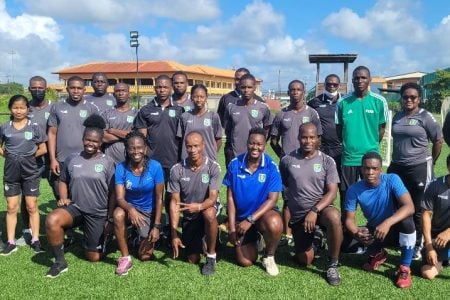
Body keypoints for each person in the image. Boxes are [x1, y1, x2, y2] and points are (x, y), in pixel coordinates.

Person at [45, 115, 115, 278]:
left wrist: (110, 218)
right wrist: (63, 198)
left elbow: (113, 193)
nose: (91, 143)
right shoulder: (72, 159)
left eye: (95, 141)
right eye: (88, 140)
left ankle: (103, 238)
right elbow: (63, 181)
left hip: (98, 212)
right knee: (52, 220)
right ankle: (60, 262)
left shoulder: (108, 162)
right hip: (76, 208)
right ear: (83, 139)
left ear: (101, 142)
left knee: (93, 258)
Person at [279, 122, 342, 285]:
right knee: (305, 260)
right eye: (304, 137)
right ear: (298, 138)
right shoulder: (287, 160)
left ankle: (333, 264)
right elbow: (285, 185)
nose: (308, 141)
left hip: (320, 210)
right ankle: (317, 239)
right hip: (299, 217)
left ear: (318, 139)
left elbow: (332, 192)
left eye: (312, 137)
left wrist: (315, 210)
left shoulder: (327, 161)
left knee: (334, 217)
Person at [387, 82, 443, 260]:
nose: (409, 100)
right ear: (401, 98)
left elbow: (438, 140)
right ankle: (400, 238)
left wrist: (431, 161)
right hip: (397, 166)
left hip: (418, 167)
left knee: (419, 207)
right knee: (397, 204)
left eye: (413, 97)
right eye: (405, 97)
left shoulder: (425, 116)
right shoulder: (397, 116)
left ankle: (418, 244)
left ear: (419, 99)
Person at [345, 152, 416, 289]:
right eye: (366, 168)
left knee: (407, 220)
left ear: (380, 170)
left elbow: (410, 206)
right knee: (345, 245)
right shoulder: (354, 189)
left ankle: (405, 267)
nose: (370, 172)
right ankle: (379, 253)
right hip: (375, 230)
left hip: (395, 228)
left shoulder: (392, 179)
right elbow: (349, 220)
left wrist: (387, 223)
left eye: (374, 168)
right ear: (361, 169)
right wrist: (356, 233)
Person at [223, 127, 283, 276]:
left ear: (264, 146)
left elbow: (272, 199)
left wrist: (251, 220)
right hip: (241, 219)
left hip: (262, 217)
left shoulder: (271, 167)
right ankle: (254, 238)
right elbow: (230, 198)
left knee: (275, 223)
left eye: (259, 144)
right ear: (247, 143)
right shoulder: (234, 164)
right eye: (252, 143)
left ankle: (269, 256)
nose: (255, 147)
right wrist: (231, 227)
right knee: (246, 261)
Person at [271, 80, 322, 245]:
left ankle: (313, 230)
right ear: (288, 91)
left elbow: (318, 138)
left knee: (310, 196)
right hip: (289, 165)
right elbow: (273, 141)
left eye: (298, 89)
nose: (295, 92)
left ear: (303, 91)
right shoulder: (281, 114)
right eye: (292, 89)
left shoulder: (312, 113)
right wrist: (285, 157)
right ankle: (288, 235)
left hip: (309, 163)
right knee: (288, 199)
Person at [134, 75, 184, 239]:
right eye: (159, 87)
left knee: (171, 197)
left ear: (171, 89)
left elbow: (183, 137)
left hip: (173, 162)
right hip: (152, 163)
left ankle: (170, 229)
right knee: (154, 195)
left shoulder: (179, 110)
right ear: (155, 88)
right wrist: (145, 159)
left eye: (165, 87)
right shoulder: (146, 110)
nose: (162, 90)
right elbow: (141, 138)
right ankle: (150, 227)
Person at [336, 66, 388, 211]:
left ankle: (375, 227)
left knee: (375, 194)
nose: (360, 80)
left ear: (370, 80)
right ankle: (347, 230)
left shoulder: (379, 101)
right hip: (349, 158)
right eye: (356, 78)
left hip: (371, 159)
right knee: (347, 196)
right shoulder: (342, 103)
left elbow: (381, 129)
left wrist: (370, 145)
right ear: (352, 80)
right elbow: (339, 130)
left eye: (363, 77)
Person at [169, 132, 221, 276]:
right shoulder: (177, 169)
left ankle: (211, 256)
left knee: (209, 214)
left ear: (203, 146)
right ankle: (207, 236)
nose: (193, 150)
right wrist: (174, 234)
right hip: (190, 217)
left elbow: (212, 198)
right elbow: (174, 203)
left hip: (206, 210)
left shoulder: (213, 167)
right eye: (189, 146)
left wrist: (198, 207)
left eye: (196, 146)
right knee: (193, 259)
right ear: (185, 147)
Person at [0, 95, 47, 255]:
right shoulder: (5, 127)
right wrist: (10, 156)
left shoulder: (34, 127)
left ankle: (35, 240)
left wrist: (27, 157)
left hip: (30, 173)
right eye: (15, 107)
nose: (18, 110)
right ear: (10, 109)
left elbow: (43, 149)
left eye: (22, 107)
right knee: (11, 207)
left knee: (31, 206)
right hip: (11, 173)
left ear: (28, 109)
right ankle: (11, 242)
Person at [113, 131, 164, 276]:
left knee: (145, 256)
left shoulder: (155, 167)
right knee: (118, 214)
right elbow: (120, 198)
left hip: (148, 212)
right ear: (127, 150)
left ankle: (137, 237)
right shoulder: (121, 168)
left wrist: (156, 226)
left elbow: (160, 198)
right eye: (132, 148)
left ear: (145, 148)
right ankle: (125, 258)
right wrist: (131, 209)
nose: (136, 151)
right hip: (129, 210)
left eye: (139, 147)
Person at [47, 76, 99, 200]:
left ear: (84, 90)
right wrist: (53, 159)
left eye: (79, 88)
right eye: (72, 88)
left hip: (84, 159)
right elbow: (52, 133)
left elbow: (98, 135)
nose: (76, 91)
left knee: (82, 195)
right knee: (61, 195)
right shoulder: (56, 107)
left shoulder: (91, 108)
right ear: (67, 89)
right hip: (62, 160)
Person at [17, 76, 54, 246]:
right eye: (34, 87)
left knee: (63, 195)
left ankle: (65, 229)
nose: (37, 90)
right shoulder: (24, 108)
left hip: (54, 159)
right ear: (29, 89)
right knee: (27, 197)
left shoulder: (54, 107)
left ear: (46, 88)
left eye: (41, 87)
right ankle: (28, 231)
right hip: (31, 162)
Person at [217, 68, 264, 167]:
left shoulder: (260, 102)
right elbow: (222, 122)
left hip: (254, 150)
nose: (239, 82)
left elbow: (267, 126)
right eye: (237, 79)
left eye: (243, 79)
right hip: (232, 150)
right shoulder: (226, 99)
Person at [223, 73, 271, 164]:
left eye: (249, 87)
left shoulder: (263, 107)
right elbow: (228, 130)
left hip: (257, 154)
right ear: (239, 87)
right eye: (243, 87)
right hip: (236, 154)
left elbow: (267, 129)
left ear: (254, 88)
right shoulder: (231, 107)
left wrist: (261, 143)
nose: (246, 90)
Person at [307, 74, 343, 191]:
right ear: (324, 85)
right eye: (329, 84)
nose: (332, 86)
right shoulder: (314, 102)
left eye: (335, 84)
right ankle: (323, 208)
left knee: (342, 185)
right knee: (321, 183)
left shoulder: (345, 102)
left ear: (339, 85)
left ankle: (344, 209)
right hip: (321, 149)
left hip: (340, 149)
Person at [420, 153, 450, 280]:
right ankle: (444, 257)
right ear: (449, 167)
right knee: (428, 273)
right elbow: (426, 215)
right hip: (438, 238)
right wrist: (429, 246)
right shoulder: (435, 186)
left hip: (447, 234)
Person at [177, 84, 222, 161]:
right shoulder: (184, 116)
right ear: (191, 98)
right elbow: (180, 140)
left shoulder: (213, 116)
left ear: (206, 98)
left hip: (208, 159)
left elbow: (218, 139)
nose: (199, 100)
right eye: (195, 96)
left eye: (202, 97)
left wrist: (212, 153)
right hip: (188, 160)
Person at [101, 83, 137, 165]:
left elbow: (137, 135)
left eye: (124, 91)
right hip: (111, 162)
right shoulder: (106, 113)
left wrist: (113, 131)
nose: (121, 93)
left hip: (132, 161)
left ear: (129, 94)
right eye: (118, 91)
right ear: (114, 94)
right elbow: (104, 138)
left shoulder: (137, 113)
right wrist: (127, 135)